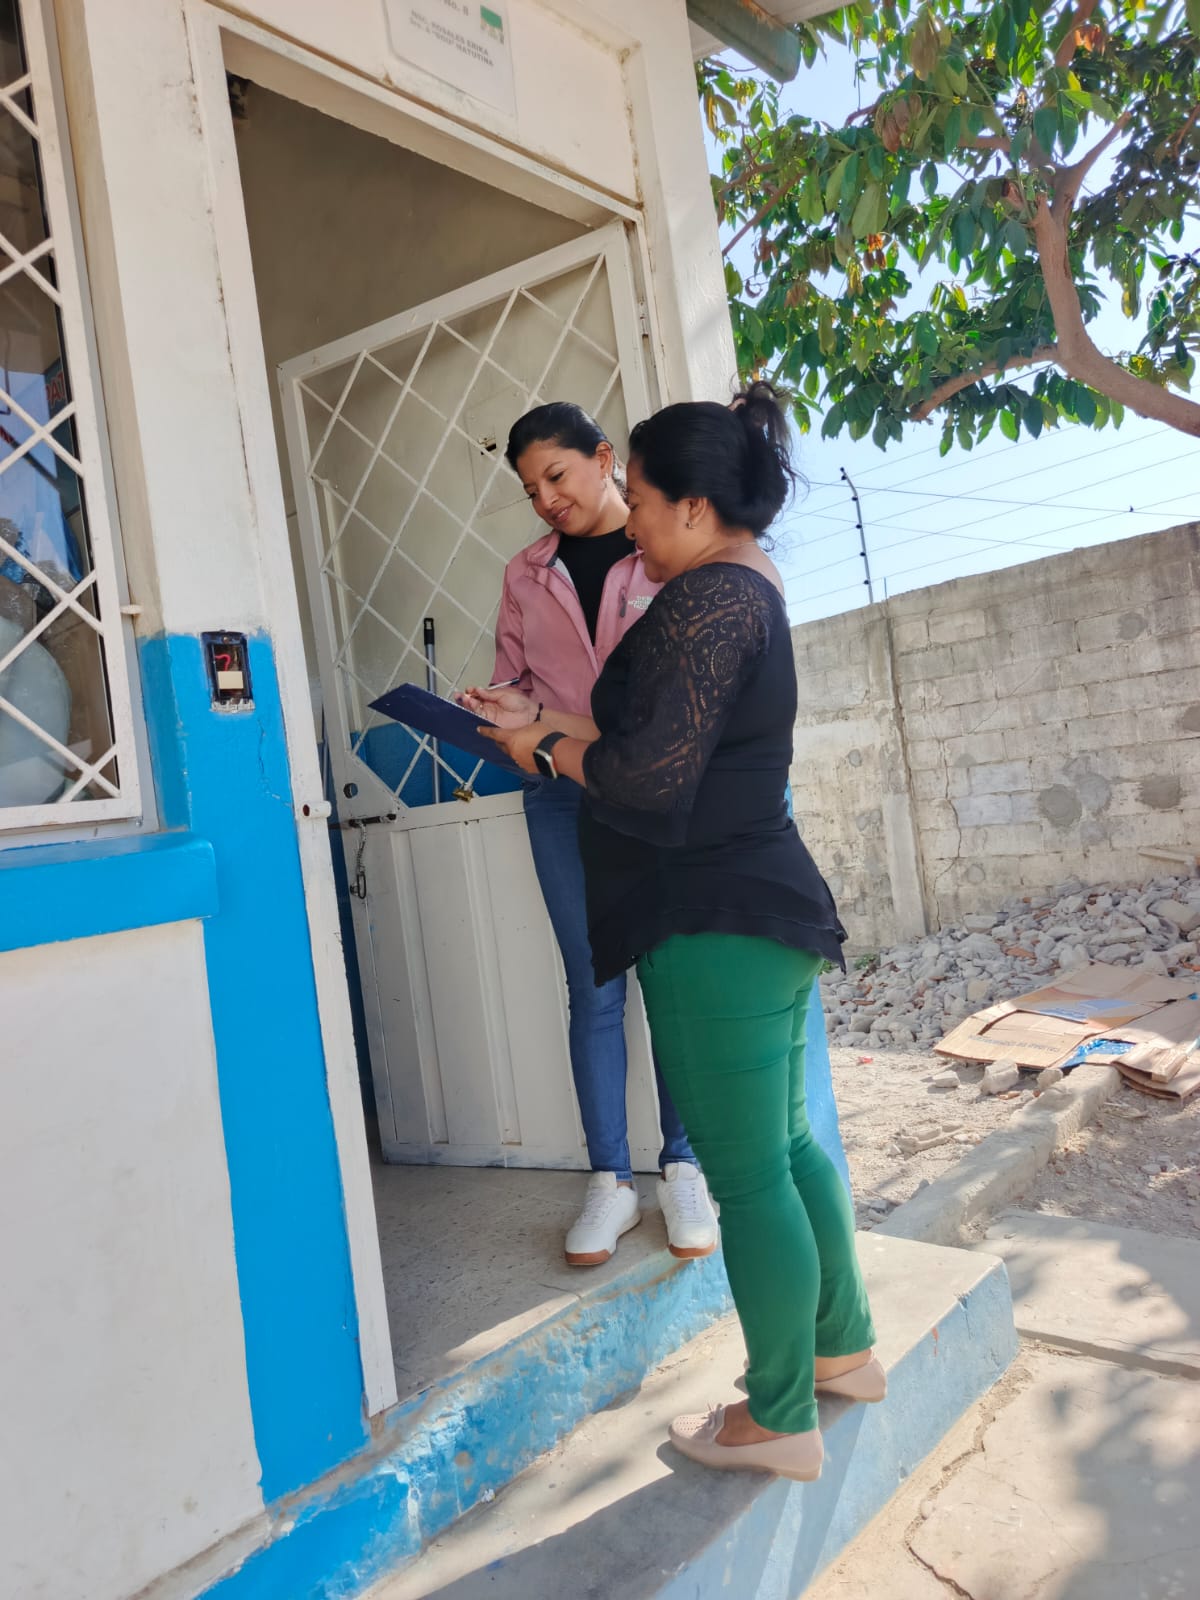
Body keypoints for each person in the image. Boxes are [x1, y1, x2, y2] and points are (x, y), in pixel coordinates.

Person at [464, 384, 882, 1483]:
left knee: (745, 1179)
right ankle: (842, 1351)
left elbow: (645, 779)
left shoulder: (708, 598)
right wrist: (541, 720)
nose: (634, 524)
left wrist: (543, 753)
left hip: (710, 915)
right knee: (787, 1150)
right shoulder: (742, 584)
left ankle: (777, 1414)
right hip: (758, 909)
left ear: (694, 507)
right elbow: (664, 736)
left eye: (642, 501)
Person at [479, 402, 718, 1268]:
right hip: (559, 794)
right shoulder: (524, 574)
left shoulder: (662, 550)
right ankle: (609, 1181)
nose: (546, 499)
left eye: (556, 475)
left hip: (653, 792)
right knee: (594, 983)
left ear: (604, 457)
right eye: (530, 489)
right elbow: (515, 679)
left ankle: (683, 1168)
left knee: (670, 975)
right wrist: (498, 706)